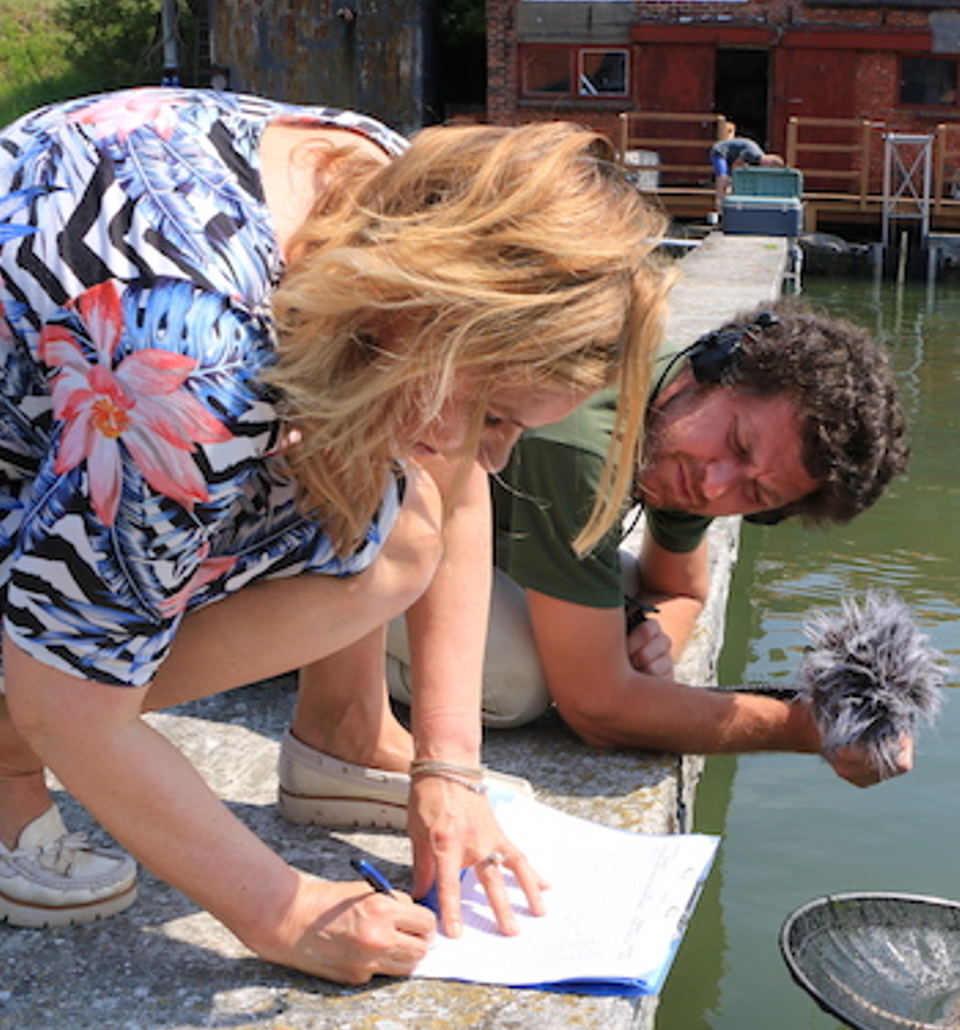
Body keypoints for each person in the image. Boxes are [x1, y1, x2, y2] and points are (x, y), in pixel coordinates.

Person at [0, 88, 673, 983]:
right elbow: (75, 703)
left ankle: (347, 736)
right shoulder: (191, 356)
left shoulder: (385, 186)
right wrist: (286, 910)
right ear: (444, 315)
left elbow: (454, 476)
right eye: (499, 411)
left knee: (389, 478)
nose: (496, 454)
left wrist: (450, 770)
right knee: (390, 536)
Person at [351, 298, 913, 792]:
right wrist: (809, 728)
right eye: (738, 443)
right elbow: (596, 709)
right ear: (714, 364)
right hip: (350, 534)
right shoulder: (588, 448)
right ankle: (312, 656)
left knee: (617, 596)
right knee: (519, 683)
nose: (715, 485)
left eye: (755, 491)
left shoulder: (677, 425)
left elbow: (681, 589)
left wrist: (649, 643)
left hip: (469, 532)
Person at [710, 122, 784, 211]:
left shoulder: (758, 158)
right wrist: (732, 180)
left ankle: (727, 201)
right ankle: (719, 203)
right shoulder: (754, 154)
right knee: (723, 177)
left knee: (729, 180)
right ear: (769, 162)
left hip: (731, 157)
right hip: (720, 152)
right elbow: (737, 164)